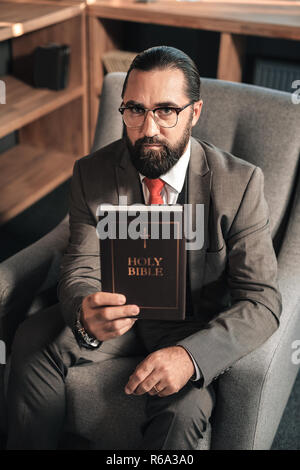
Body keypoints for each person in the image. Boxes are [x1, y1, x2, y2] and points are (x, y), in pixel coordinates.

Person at [6, 46, 282, 450]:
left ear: (195, 113)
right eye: (135, 109)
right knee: (33, 338)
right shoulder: (92, 171)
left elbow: (261, 300)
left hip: (193, 321)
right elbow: (81, 263)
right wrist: (85, 311)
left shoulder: (240, 184)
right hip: (118, 308)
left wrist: (191, 356)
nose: (148, 127)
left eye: (166, 110)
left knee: (184, 412)